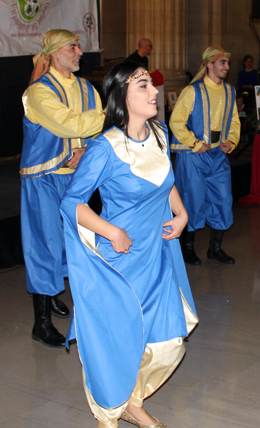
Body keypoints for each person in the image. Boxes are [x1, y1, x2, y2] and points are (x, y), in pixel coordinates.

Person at [60, 62, 198, 428]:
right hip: (120, 262)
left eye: (150, 83)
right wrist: (110, 231)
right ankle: (117, 409)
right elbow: (71, 203)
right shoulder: (105, 148)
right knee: (120, 343)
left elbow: (162, 179)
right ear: (122, 95)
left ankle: (130, 399)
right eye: (142, 86)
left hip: (157, 254)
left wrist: (180, 211)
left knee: (169, 343)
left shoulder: (160, 133)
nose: (154, 91)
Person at [20, 29, 104, 348]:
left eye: (79, 46)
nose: (80, 52)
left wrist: (86, 152)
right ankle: (40, 322)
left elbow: (93, 135)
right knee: (45, 244)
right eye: (73, 47)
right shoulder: (38, 93)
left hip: (75, 178)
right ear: (54, 53)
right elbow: (70, 124)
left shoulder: (86, 87)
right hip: (43, 178)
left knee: (80, 241)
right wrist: (112, 111)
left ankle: (65, 298)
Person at [170, 46, 240, 265]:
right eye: (222, 62)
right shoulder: (192, 91)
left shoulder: (230, 90)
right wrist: (194, 143)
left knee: (222, 199)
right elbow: (175, 121)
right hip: (193, 155)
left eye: (227, 63)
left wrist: (231, 141)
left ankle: (215, 249)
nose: (227, 67)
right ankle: (187, 248)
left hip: (218, 154)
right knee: (192, 200)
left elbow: (235, 121)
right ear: (209, 65)